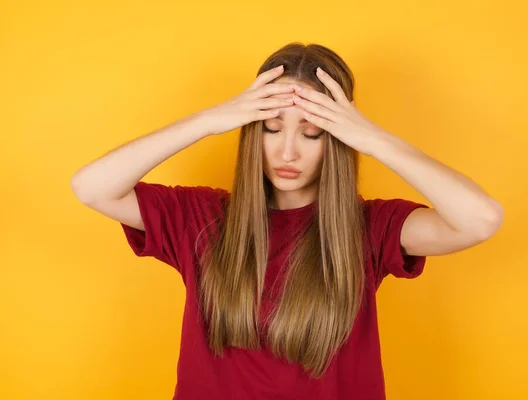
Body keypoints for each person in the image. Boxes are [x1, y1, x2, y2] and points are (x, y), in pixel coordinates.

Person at [71, 42, 503, 399]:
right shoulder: (201, 219)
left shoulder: (371, 227)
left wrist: (374, 139)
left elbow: (480, 219)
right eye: (271, 129)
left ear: (336, 138)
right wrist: (207, 121)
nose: (288, 152)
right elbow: (91, 187)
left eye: (312, 133)